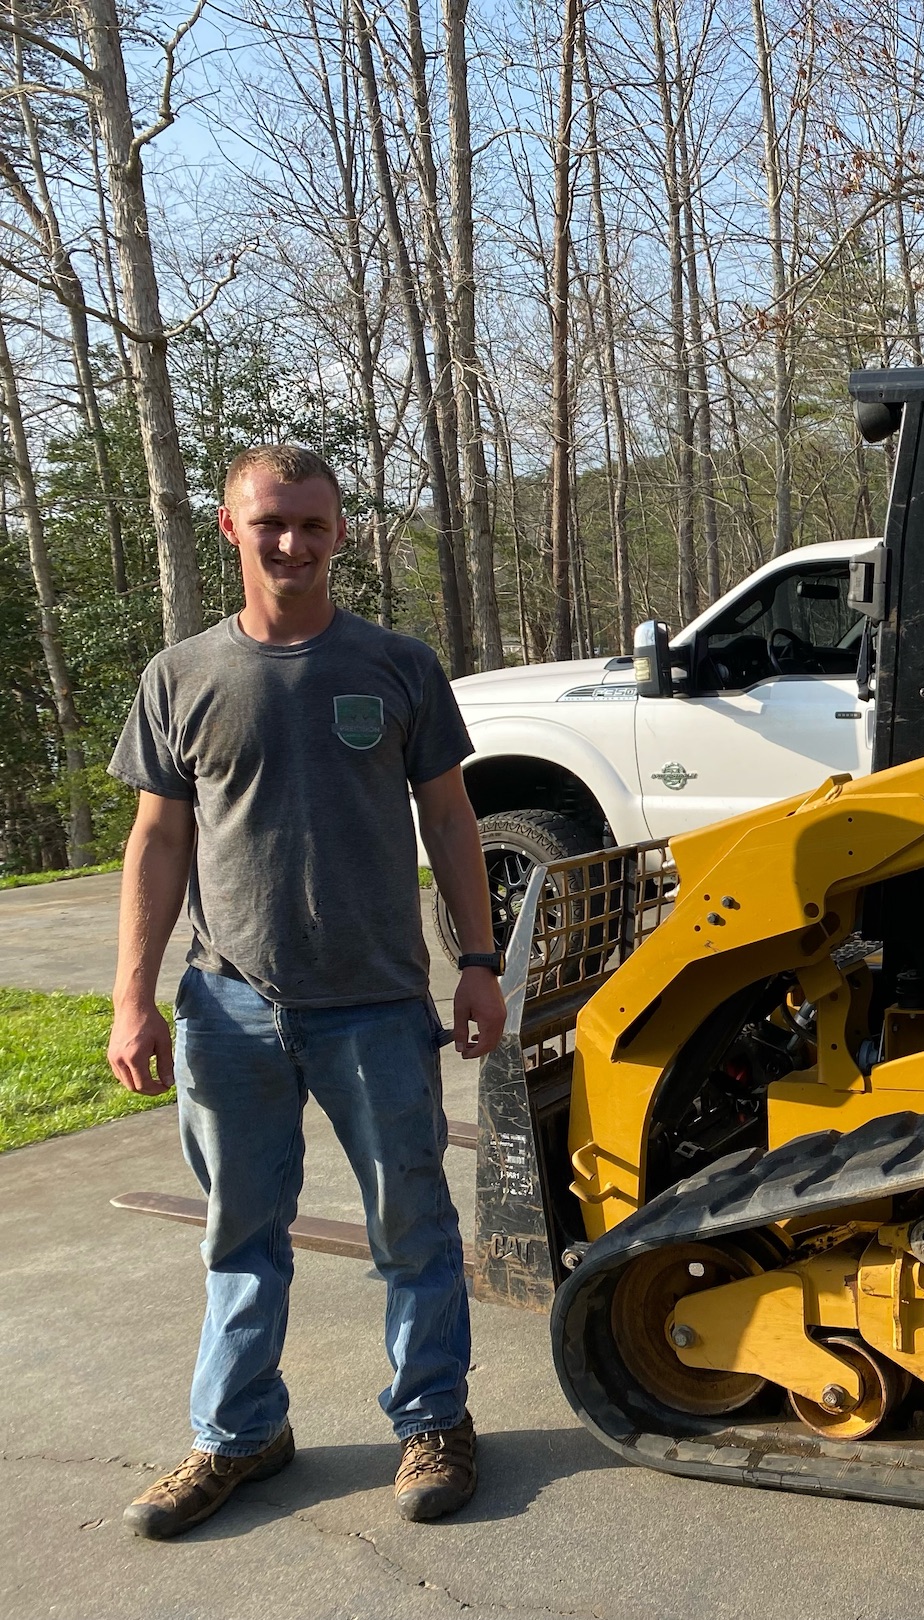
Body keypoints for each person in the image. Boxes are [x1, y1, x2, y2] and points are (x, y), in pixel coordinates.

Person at [105, 445, 507, 1540]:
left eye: (313, 523)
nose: (292, 542)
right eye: (270, 522)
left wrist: (478, 963)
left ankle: (433, 1421)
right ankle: (238, 1437)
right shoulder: (181, 677)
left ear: (341, 534)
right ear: (230, 530)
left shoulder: (398, 665)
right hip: (230, 1008)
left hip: (377, 1005)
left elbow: (452, 821)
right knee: (241, 1232)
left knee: (411, 1227)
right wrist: (131, 996)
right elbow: (157, 841)